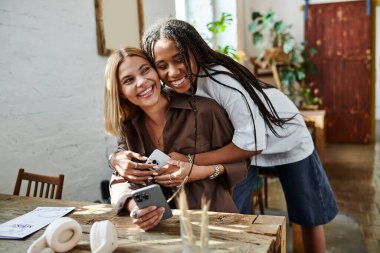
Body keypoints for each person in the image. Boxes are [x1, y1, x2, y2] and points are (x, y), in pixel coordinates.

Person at [142, 18, 338, 253]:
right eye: (161, 65)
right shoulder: (175, 88)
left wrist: (191, 159)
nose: (172, 72)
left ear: (195, 51)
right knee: (236, 216)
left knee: (309, 215)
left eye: (179, 59)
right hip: (241, 149)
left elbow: (252, 145)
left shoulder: (222, 80)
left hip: (286, 139)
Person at [104, 47, 249, 231]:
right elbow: (121, 179)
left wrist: (199, 171)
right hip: (161, 230)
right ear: (121, 92)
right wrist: (136, 208)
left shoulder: (205, 111)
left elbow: (240, 164)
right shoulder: (129, 127)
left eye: (145, 70)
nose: (141, 82)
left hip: (215, 223)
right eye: (128, 80)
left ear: (156, 72)